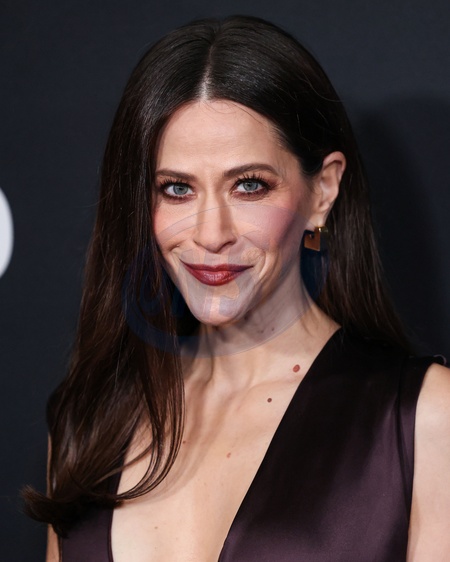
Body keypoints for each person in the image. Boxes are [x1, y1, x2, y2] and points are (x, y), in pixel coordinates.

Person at [24, 15, 450, 562]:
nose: (211, 234)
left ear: (323, 190)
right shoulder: (88, 422)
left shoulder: (425, 421)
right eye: (176, 189)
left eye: (249, 186)